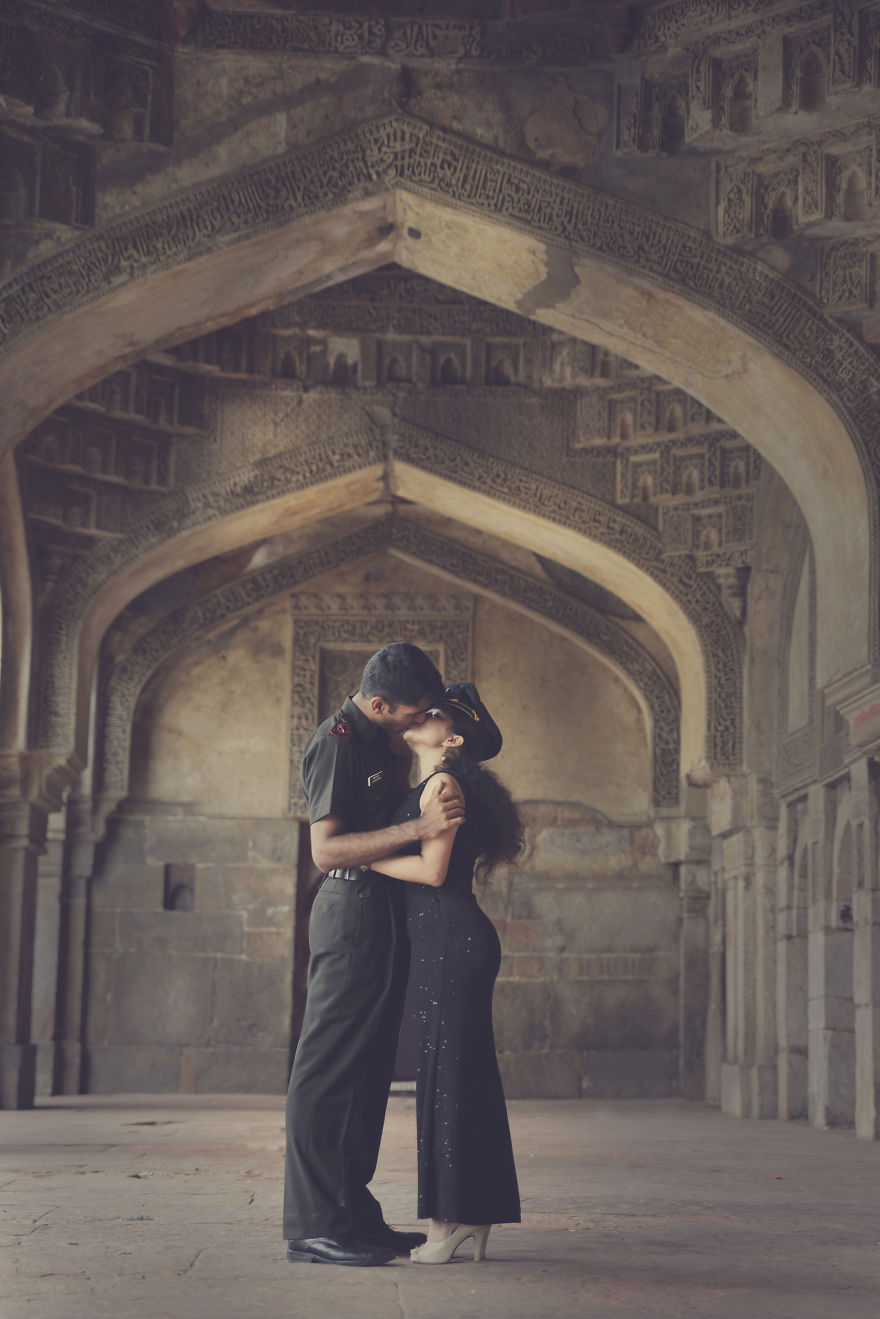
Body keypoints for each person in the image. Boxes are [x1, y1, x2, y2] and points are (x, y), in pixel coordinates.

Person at [283, 643, 466, 1268]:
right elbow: (327, 851)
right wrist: (419, 826)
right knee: (327, 1069)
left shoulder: (386, 739)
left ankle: (353, 1215)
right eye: (411, 713)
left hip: (383, 908)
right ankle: (312, 1225)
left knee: (367, 1073)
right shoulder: (337, 741)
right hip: (348, 908)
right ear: (379, 702)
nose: (419, 722)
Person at [370, 682, 523, 1264]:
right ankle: (469, 1218)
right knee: (457, 1077)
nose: (419, 715)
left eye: (433, 714)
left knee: (448, 1080)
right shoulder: (432, 783)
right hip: (448, 941)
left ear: (452, 738)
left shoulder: (442, 782)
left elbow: (433, 872)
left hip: (452, 940)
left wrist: (360, 852)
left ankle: (447, 1224)